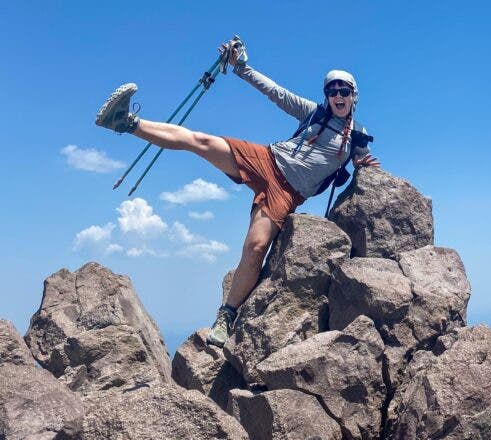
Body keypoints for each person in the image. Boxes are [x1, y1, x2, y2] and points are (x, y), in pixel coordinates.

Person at [94, 39, 379, 347]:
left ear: (354, 96)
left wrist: (365, 166)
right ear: (326, 95)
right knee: (201, 142)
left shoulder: (357, 138)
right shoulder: (314, 113)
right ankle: (126, 122)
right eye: (332, 91)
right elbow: (275, 92)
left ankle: (226, 316)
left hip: (287, 193)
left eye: (344, 91)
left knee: (256, 247)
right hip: (267, 159)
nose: (338, 96)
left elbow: (365, 167)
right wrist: (241, 66)